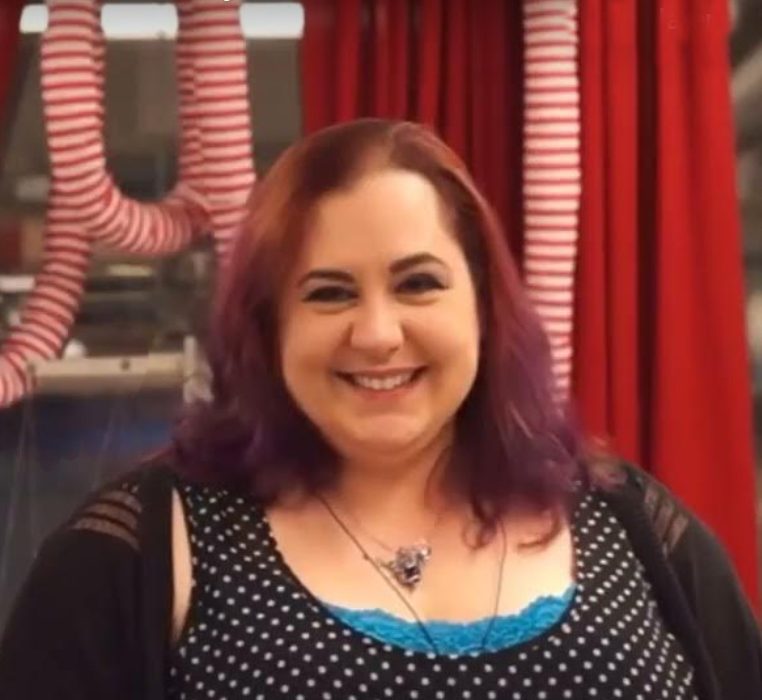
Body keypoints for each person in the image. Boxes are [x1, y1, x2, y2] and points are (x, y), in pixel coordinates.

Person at [0, 119, 759, 700]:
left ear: (486, 306)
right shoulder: (138, 550)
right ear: (268, 329)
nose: (377, 334)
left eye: (418, 283)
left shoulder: (633, 524)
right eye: (329, 292)